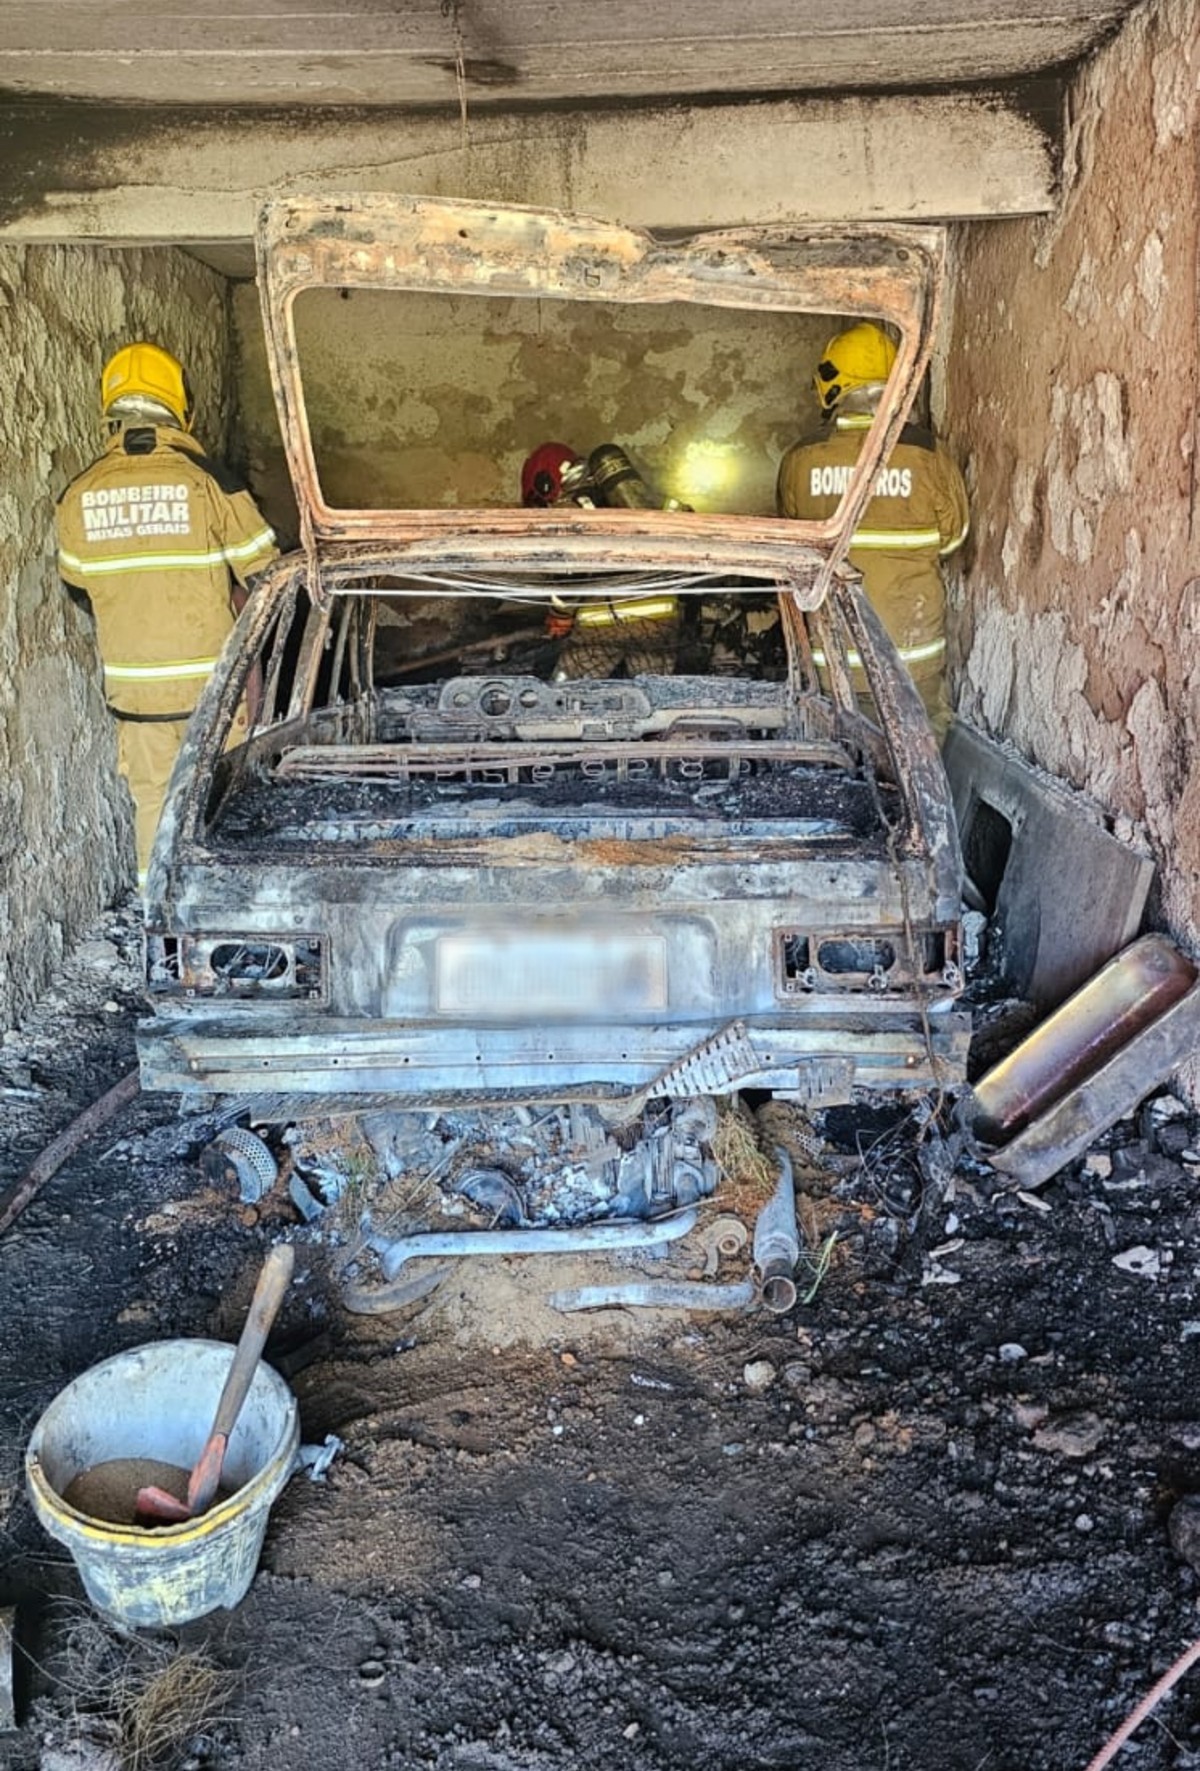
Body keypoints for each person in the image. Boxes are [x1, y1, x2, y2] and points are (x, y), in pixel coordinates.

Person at [56, 342, 279, 885]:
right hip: (213, 689)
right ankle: (227, 911)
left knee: (154, 803)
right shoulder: (208, 481)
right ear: (183, 407)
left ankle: (161, 925)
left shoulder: (78, 494)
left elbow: (79, 589)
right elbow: (265, 576)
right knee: (224, 799)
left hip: (137, 696)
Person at [775, 321, 968, 735]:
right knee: (919, 768)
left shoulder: (800, 458)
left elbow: (791, 553)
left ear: (831, 383)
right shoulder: (928, 454)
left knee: (843, 766)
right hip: (913, 659)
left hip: (836, 663)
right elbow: (954, 539)